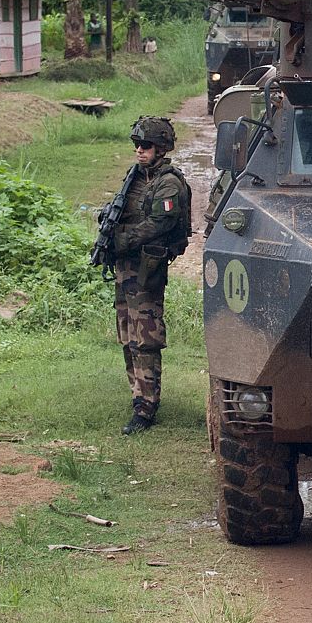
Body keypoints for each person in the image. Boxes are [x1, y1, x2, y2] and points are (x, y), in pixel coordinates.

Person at [113, 116, 193, 435]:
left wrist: (125, 239)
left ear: (161, 148)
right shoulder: (136, 177)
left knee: (145, 335)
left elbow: (159, 223)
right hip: (126, 266)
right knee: (126, 331)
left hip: (147, 267)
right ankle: (137, 393)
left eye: (145, 145)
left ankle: (147, 405)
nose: (139, 150)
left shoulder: (169, 182)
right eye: (136, 145)